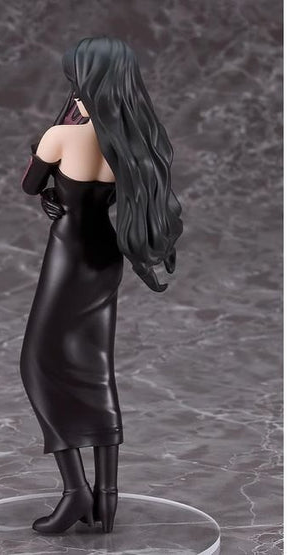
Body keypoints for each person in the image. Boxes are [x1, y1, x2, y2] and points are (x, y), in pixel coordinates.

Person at [19, 36, 183, 535]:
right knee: (96, 367)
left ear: (84, 80)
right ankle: (105, 498)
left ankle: (76, 492)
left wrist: (53, 188)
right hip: (105, 254)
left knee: (38, 363)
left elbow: (30, 183)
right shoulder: (134, 140)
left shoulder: (61, 135)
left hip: (69, 251)